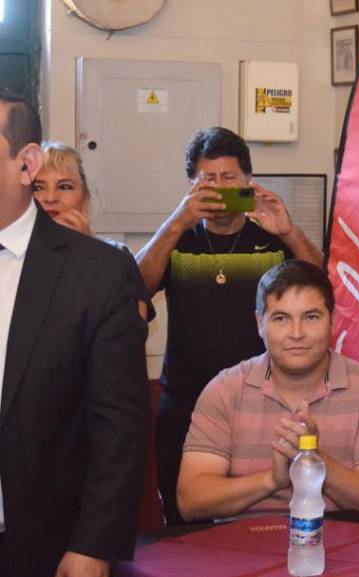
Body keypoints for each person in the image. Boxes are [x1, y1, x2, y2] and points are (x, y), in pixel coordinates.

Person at [137, 126, 322, 524]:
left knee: (257, 519)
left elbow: (321, 290)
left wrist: (289, 232)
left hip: (261, 405)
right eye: (208, 179)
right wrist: (176, 222)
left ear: (248, 182)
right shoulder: (178, 239)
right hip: (185, 402)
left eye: (229, 178)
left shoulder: (271, 240)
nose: (219, 189)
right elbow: (133, 288)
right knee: (184, 521)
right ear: (191, 185)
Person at [0, 88, 149, 576]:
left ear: (27, 163)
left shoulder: (98, 273)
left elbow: (118, 427)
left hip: (41, 540)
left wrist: (94, 543)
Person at [177, 260, 359, 520]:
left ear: (333, 320)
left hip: (342, 547)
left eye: (311, 317)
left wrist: (313, 459)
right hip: (240, 548)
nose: (297, 333)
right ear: (260, 323)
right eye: (281, 318)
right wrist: (272, 480)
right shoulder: (225, 389)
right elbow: (190, 501)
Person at [32, 142, 154, 321]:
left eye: (64, 186)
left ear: (85, 199)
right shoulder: (11, 253)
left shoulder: (116, 257)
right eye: (38, 187)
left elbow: (131, 331)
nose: (50, 198)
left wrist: (88, 251)